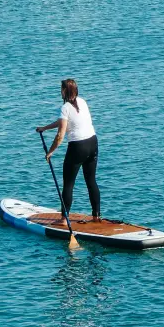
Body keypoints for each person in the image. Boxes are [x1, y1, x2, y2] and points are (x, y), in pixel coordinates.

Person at [36, 79, 101, 222]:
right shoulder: (83, 102)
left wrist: (50, 151)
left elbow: (60, 135)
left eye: (61, 89)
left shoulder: (65, 107)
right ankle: (96, 216)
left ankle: (64, 220)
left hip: (78, 147)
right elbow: (64, 122)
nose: (60, 91)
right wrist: (45, 128)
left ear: (65, 91)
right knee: (91, 181)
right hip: (93, 143)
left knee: (68, 184)